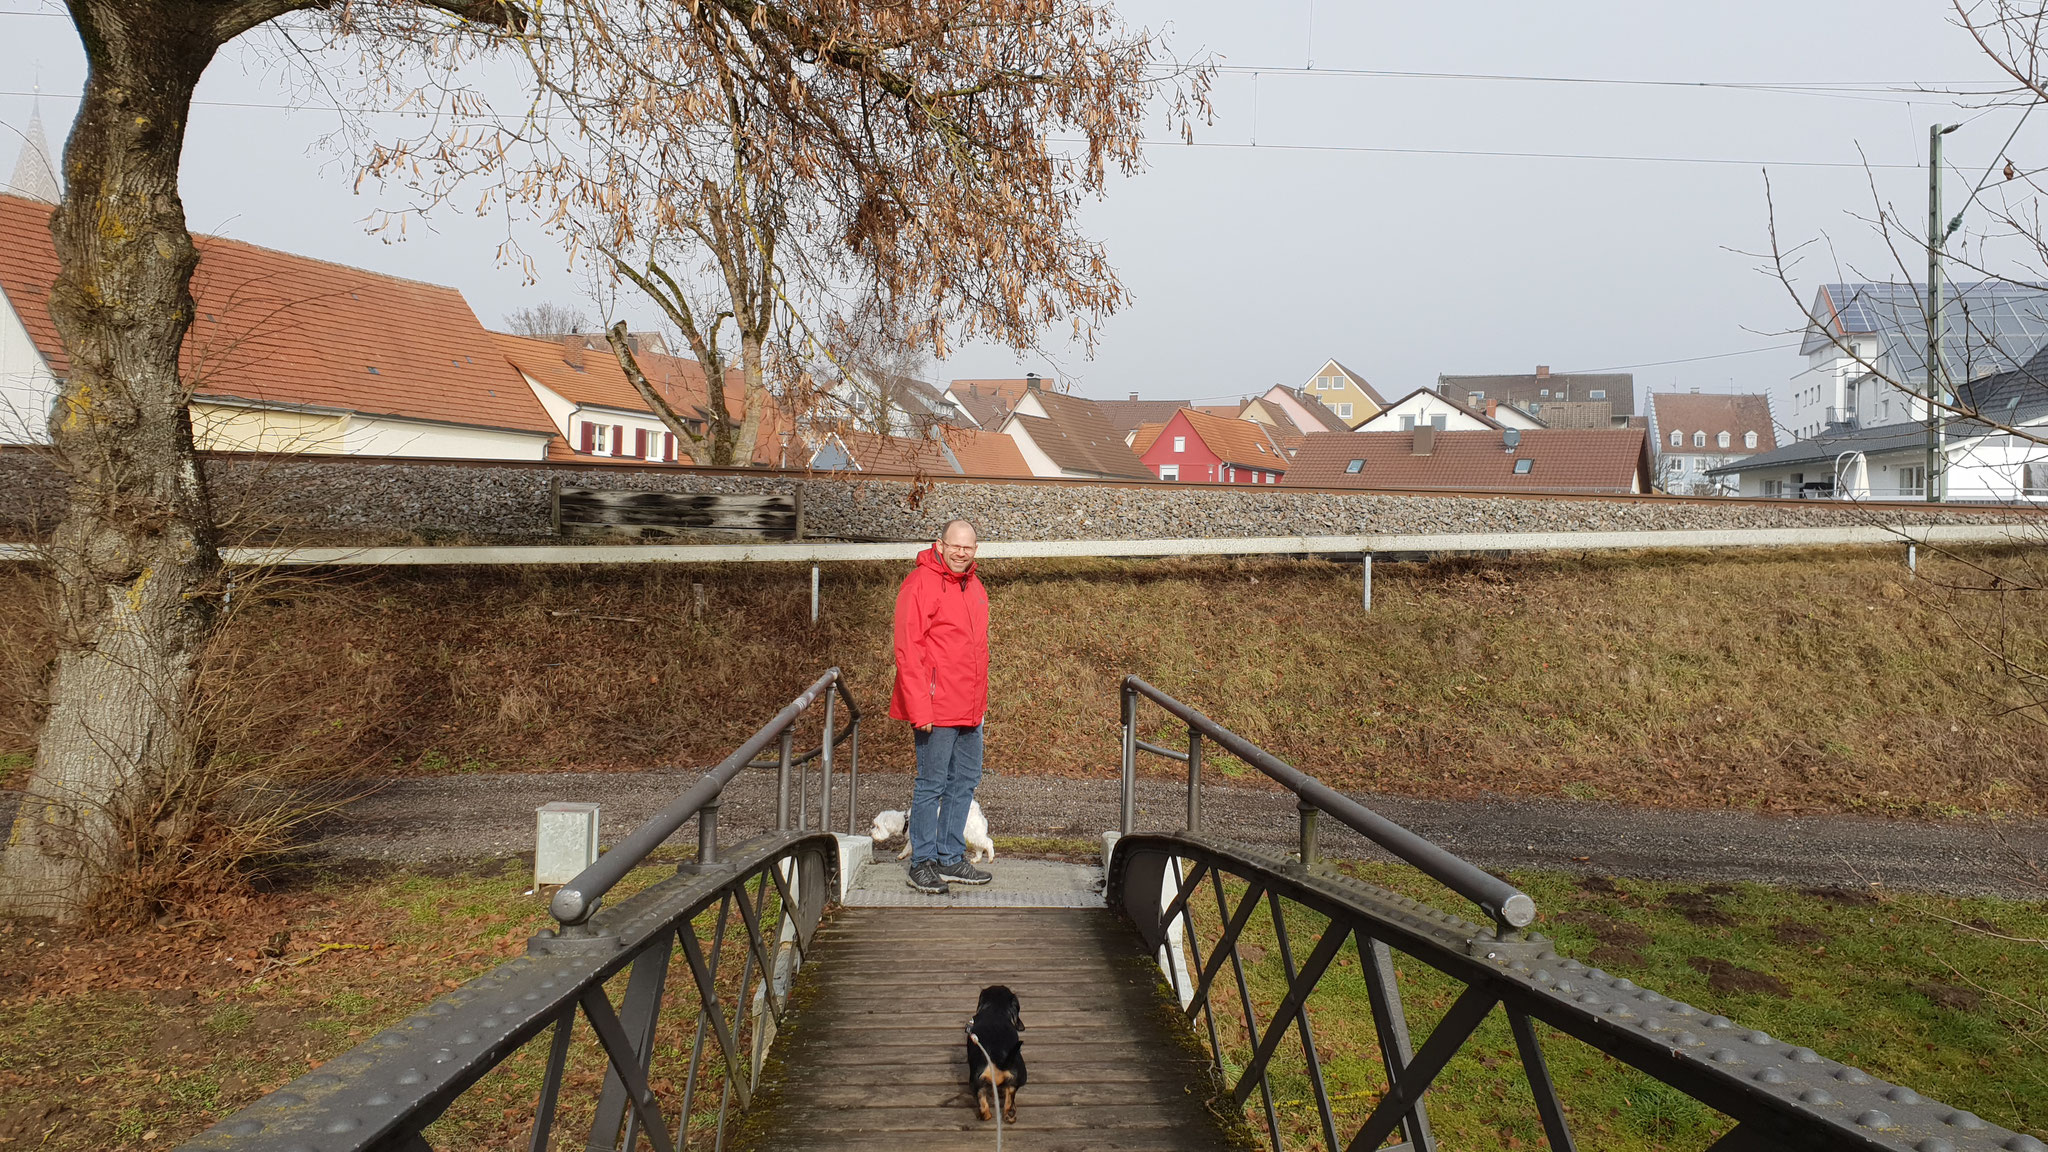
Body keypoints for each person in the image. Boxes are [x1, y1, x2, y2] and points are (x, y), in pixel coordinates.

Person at [890, 517, 992, 895]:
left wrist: (980, 705)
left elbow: (976, 652)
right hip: (935, 707)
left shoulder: (976, 587)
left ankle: (951, 858)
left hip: (969, 708)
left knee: (964, 782)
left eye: (969, 546)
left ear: (975, 550)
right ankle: (922, 862)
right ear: (941, 544)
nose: (962, 552)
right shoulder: (919, 584)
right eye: (956, 545)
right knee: (931, 785)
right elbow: (908, 650)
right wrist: (920, 708)